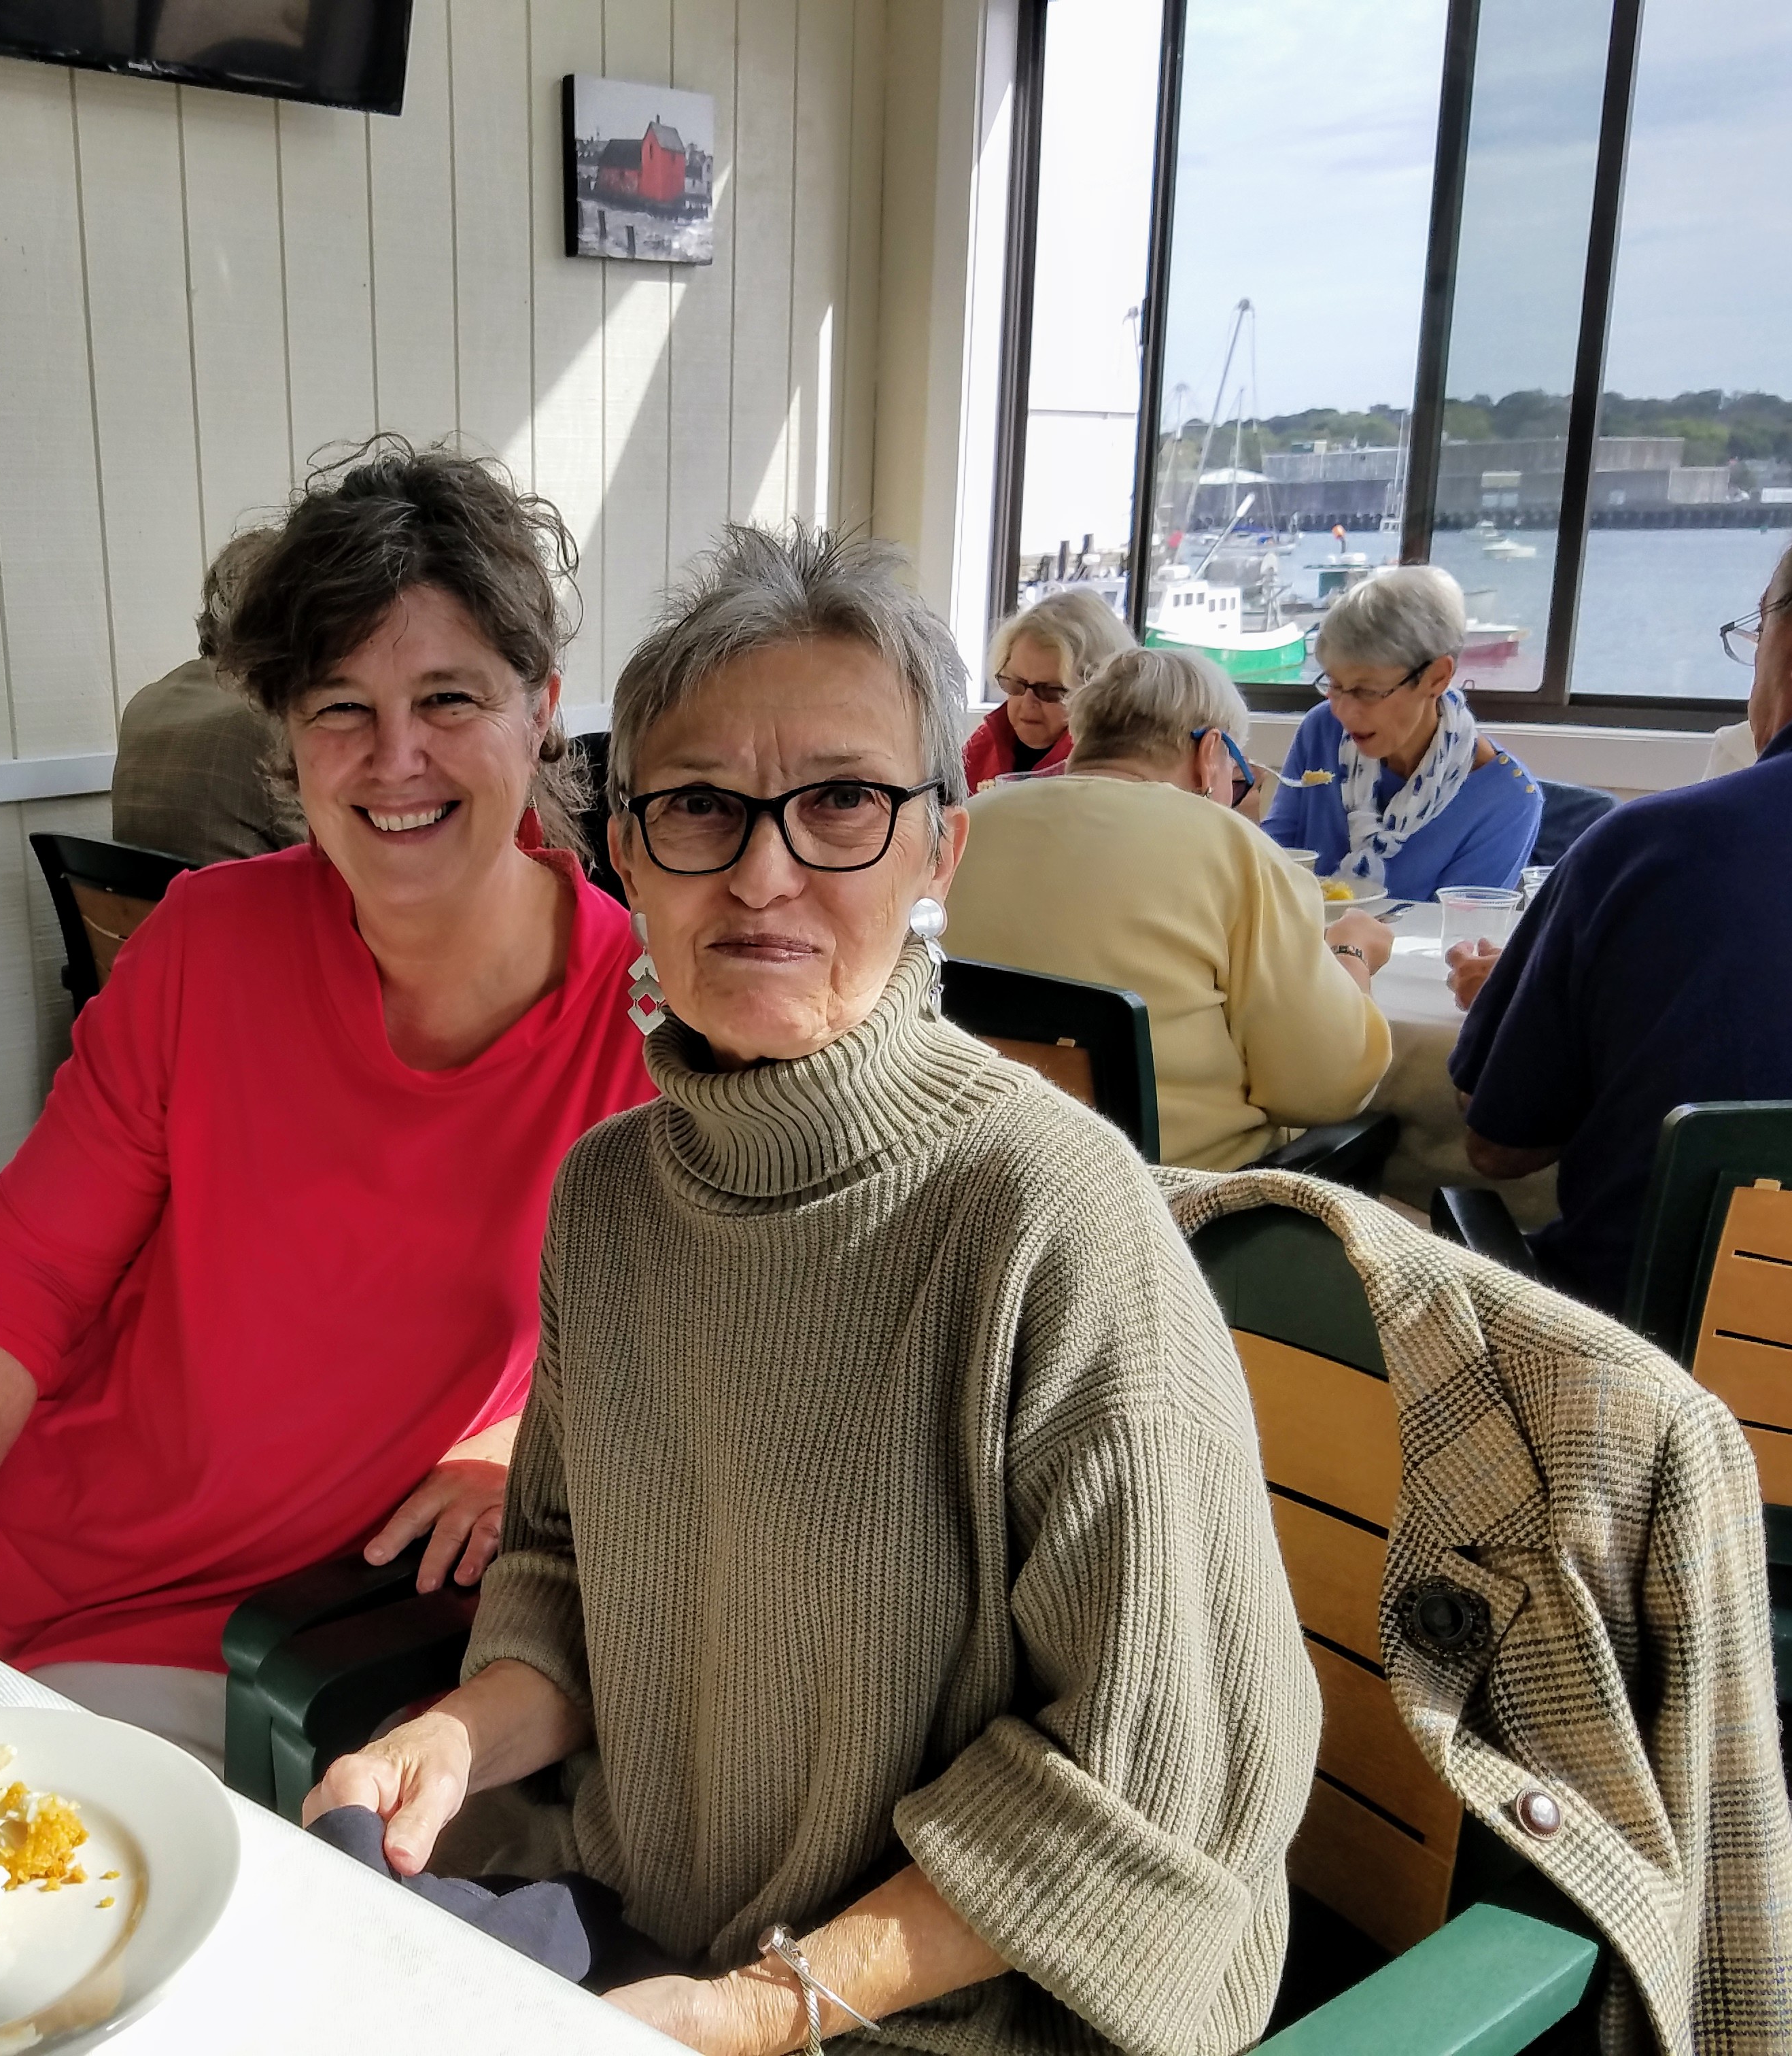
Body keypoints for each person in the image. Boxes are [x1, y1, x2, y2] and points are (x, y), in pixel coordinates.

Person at [307, 528, 1315, 2053]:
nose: (762, 871)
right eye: (700, 804)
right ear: (626, 848)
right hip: (646, 1927)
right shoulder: (612, 1194)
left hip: (931, 2010)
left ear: (937, 853)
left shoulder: (1047, 1213)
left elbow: (1150, 1773)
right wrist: (454, 1734)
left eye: (842, 800)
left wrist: (761, 2008)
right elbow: (572, 1578)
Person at [0, 441, 657, 1770]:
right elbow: (22, 1276)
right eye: (340, 706)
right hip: (34, 1558)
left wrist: (522, 1440)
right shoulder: (205, 940)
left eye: (448, 697)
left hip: (283, 1657)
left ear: (541, 711)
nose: (394, 757)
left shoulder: (648, 1024)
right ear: (286, 735)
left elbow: (680, 1368)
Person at [1447, 501, 1792, 1313]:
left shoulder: (1654, 848)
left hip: (1643, 1362)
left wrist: (1548, 1006)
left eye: (1759, 630)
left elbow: (1498, 1145)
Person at [943, 648, 1393, 1169]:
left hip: (964, 1176)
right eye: (1235, 769)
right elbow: (1323, 1089)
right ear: (1210, 752)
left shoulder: (964, 826)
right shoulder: (1235, 850)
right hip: (1172, 1201)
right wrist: (1352, 954)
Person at [1263, 565, 1542, 898]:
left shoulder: (1507, 801)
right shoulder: (1322, 731)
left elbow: (1458, 928)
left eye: (1367, 691)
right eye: (1335, 685)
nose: (1344, 711)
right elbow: (1270, 864)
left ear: (1437, 678)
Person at [109, 528, 302, 866]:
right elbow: (334, 857)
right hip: (239, 899)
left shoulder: (143, 704)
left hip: (143, 900)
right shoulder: (265, 715)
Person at [961, 586, 1128, 792]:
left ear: (1096, 692)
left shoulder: (1108, 768)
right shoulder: (984, 746)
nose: (1027, 704)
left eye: (1049, 691)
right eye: (1016, 684)